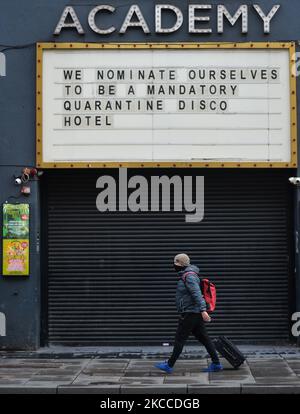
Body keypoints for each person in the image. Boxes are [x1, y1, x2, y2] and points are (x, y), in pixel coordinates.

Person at [155, 253, 223, 374]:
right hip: (193, 312)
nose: (174, 266)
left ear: (181, 265)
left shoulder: (189, 276)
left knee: (180, 339)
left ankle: (169, 365)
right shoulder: (189, 275)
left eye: (175, 264)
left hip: (190, 313)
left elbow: (197, 294)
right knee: (205, 339)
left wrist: (203, 310)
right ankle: (216, 363)